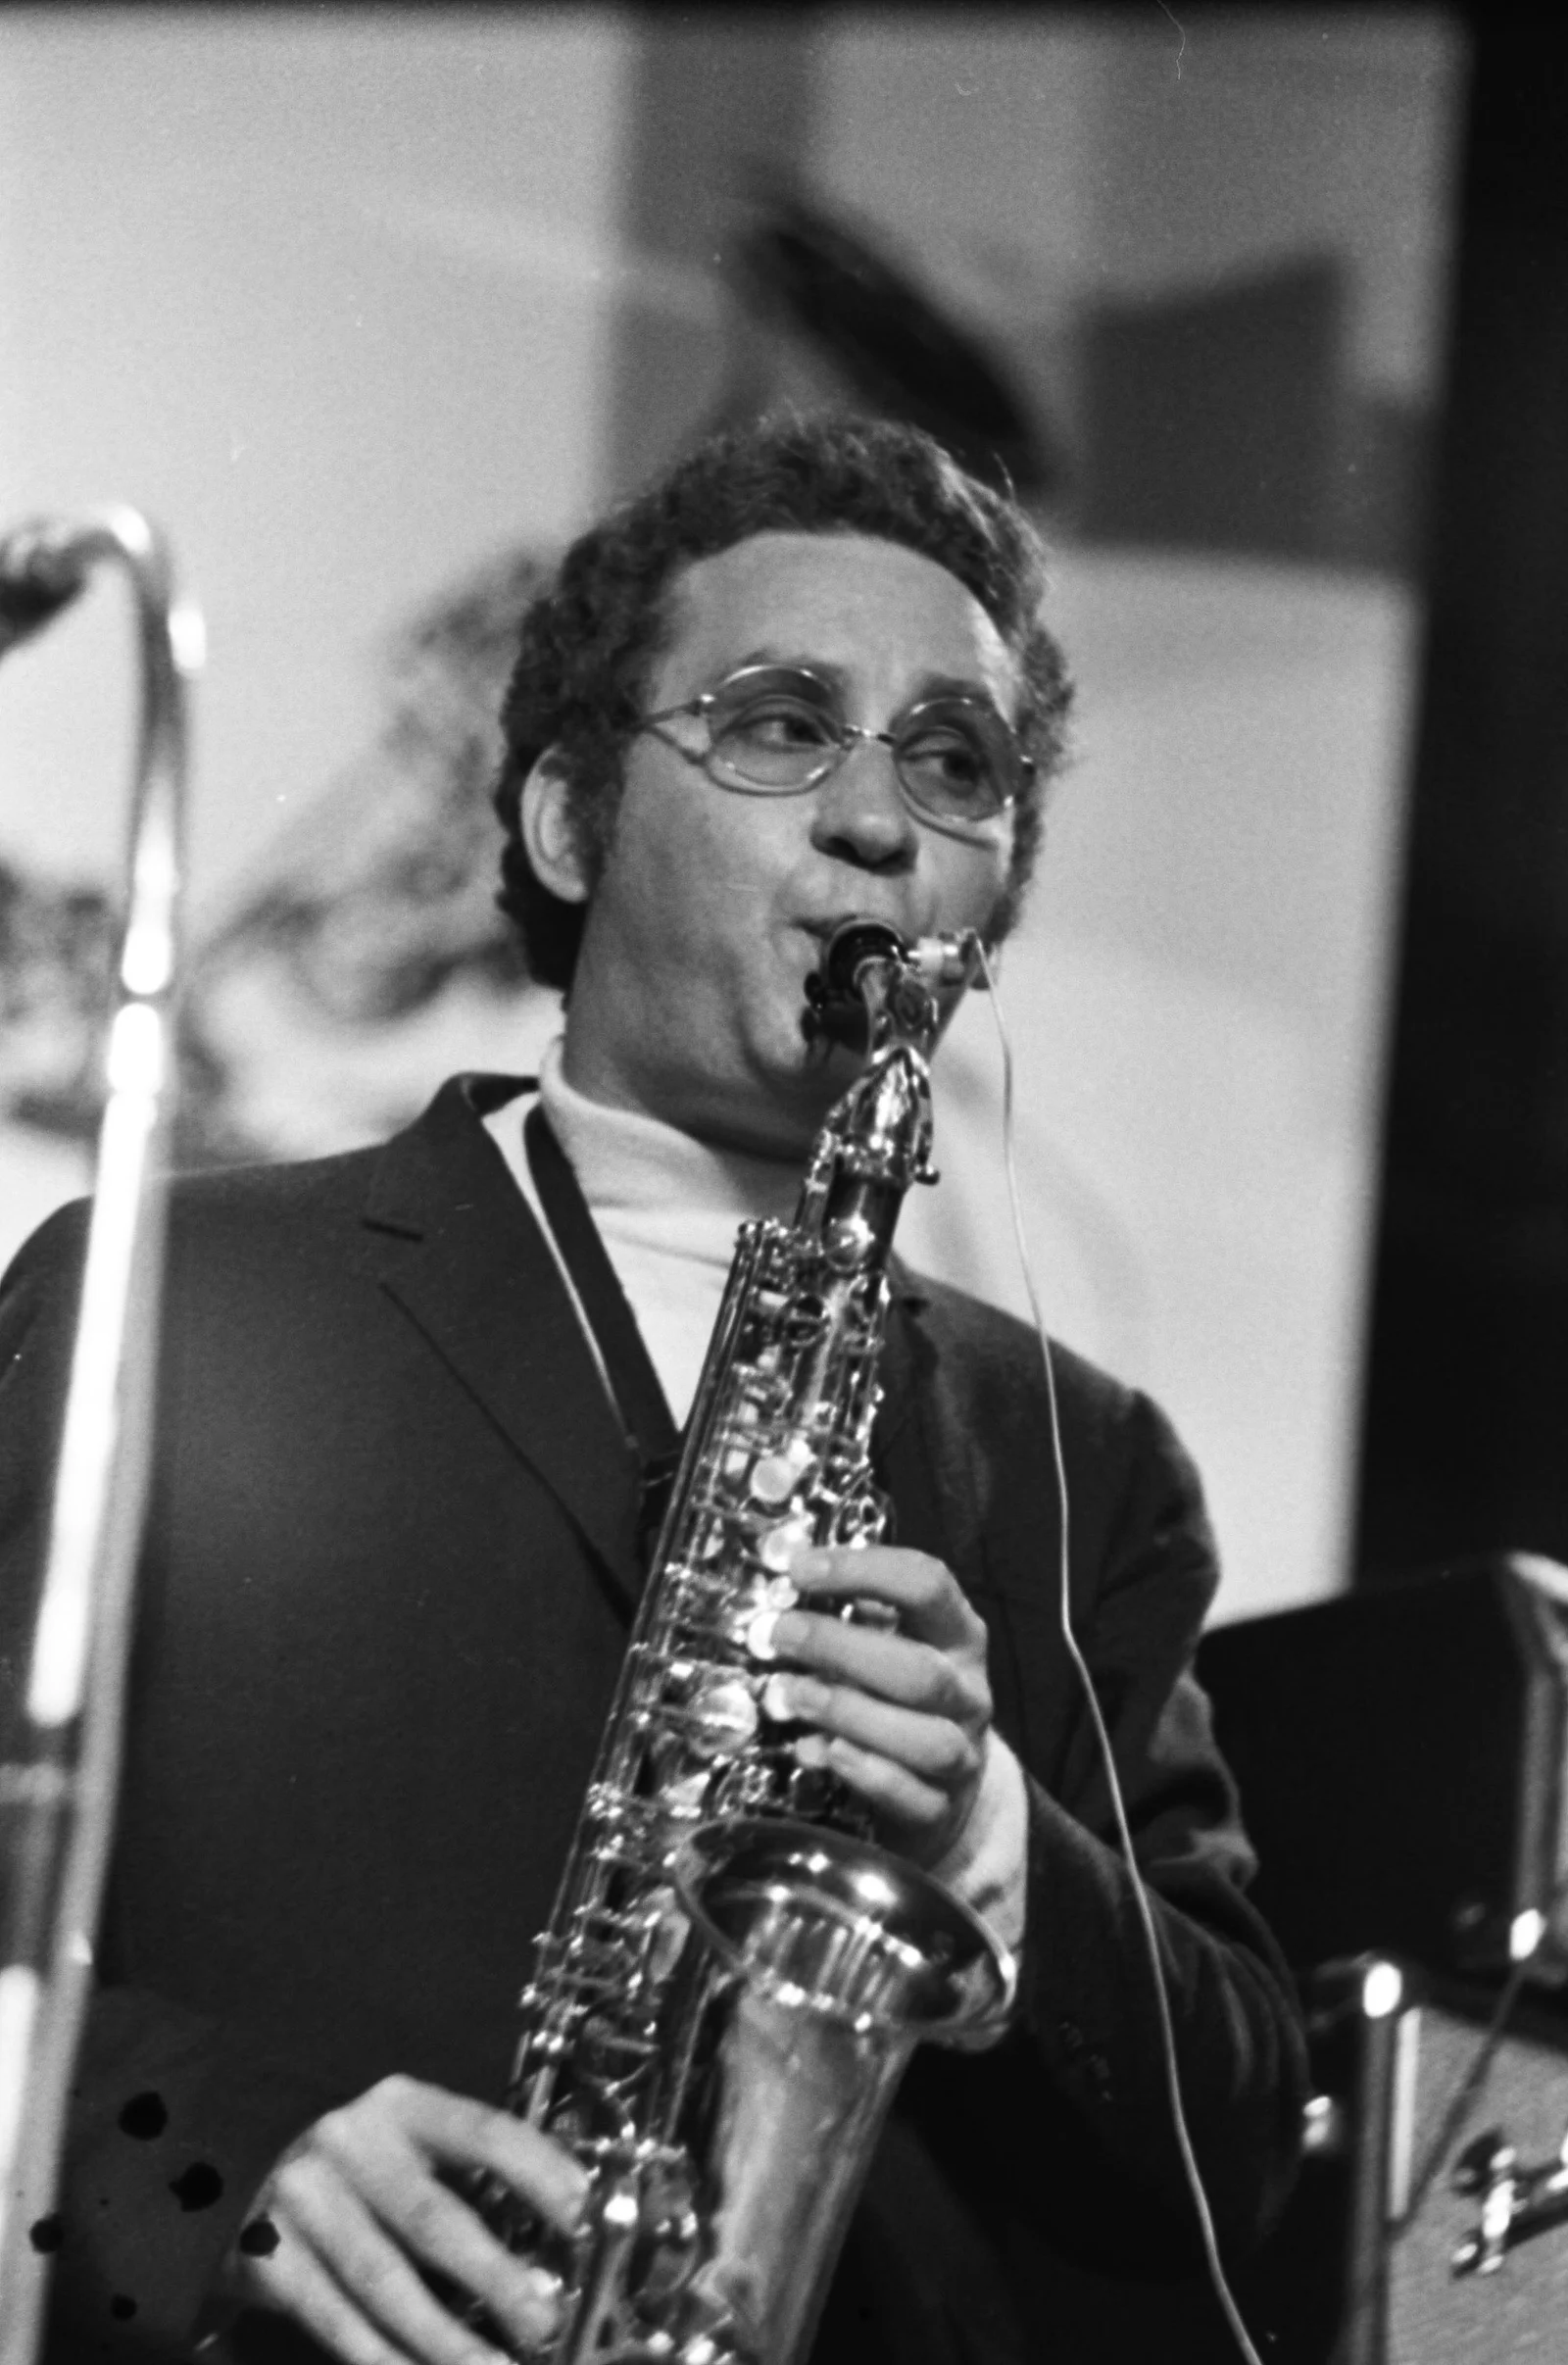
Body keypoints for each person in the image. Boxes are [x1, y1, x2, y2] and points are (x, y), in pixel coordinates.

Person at [0, 416, 1305, 2365]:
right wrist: (201, 2163)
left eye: (953, 761)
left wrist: (985, 1834)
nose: (876, 821)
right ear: (566, 820)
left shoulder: (1085, 1464)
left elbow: (1238, 2147)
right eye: (781, 725)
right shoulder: (173, 1294)